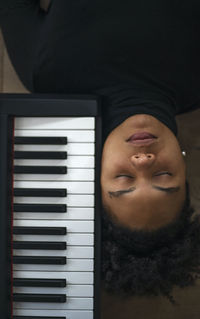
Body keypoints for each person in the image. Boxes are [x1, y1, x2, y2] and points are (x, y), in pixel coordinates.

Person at [1, 0, 200, 303]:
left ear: (97, 169)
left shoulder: (45, 75)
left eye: (123, 178)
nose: (144, 161)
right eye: (163, 174)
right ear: (184, 168)